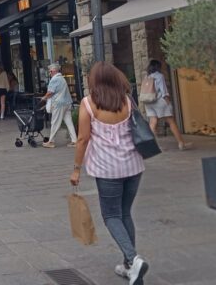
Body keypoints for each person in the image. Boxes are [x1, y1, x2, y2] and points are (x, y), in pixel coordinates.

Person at [71, 62, 149, 284]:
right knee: (125, 213)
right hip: (133, 166)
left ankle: (133, 259)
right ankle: (130, 267)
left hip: (107, 169)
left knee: (111, 215)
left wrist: (76, 169)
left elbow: (82, 139)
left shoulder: (88, 104)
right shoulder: (127, 101)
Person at [143, 60, 190, 151]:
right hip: (159, 101)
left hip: (149, 102)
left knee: (152, 123)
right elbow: (163, 91)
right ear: (158, 67)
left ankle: (153, 147)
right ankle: (181, 143)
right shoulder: (159, 76)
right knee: (171, 122)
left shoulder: (147, 76)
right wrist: (168, 102)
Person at [39, 63, 77, 148]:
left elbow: (50, 92)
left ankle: (51, 141)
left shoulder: (54, 79)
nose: (49, 73)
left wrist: (44, 98)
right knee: (69, 122)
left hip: (59, 104)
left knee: (55, 122)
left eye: (50, 71)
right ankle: (75, 140)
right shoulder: (62, 78)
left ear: (53, 71)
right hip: (67, 103)